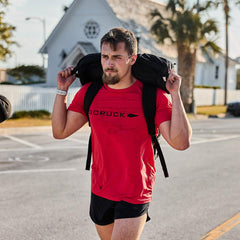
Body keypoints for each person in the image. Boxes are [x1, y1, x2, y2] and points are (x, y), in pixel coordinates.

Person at [52, 27, 192, 240]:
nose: (109, 63)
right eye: (105, 56)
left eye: (117, 57)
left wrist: (175, 95)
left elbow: (181, 142)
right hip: (100, 189)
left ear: (132, 59)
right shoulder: (90, 92)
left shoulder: (152, 96)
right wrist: (62, 90)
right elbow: (60, 131)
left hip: (135, 191)